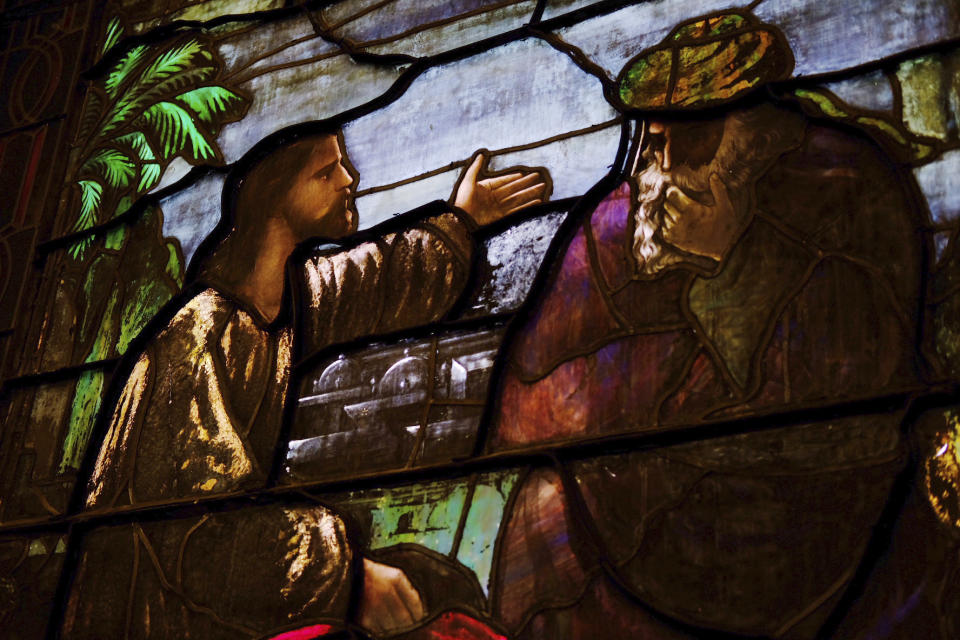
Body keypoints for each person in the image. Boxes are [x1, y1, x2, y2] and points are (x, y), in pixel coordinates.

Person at [487, 12, 924, 639]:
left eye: (685, 142)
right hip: (627, 520)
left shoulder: (846, 188)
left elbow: (844, 405)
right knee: (545, 508)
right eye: (651, 143)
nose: (651, 169)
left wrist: (725, 268)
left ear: (755, 136)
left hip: (807, 525)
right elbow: (529, 405)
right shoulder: (618, 221)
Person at [63, 127, 547, 639]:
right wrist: (347, 577)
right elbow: (199, 526)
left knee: (440, 584)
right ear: (277, 199)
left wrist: (461, 220)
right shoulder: (196, 340)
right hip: (159, 614)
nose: (349, 178)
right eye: (326, 171)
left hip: (215, 596)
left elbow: (379, 277)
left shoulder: (285, 297)